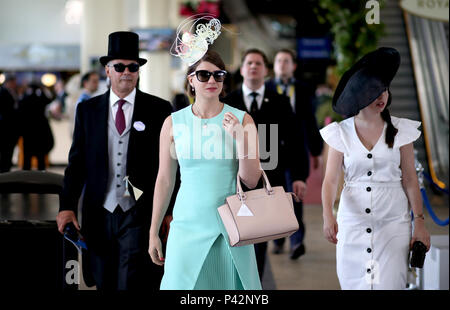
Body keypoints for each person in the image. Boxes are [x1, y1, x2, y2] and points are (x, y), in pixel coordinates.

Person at [56, 31, 173, 290]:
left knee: (131, 280)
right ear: (107, 71)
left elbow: (170, 166)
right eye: (119, 67)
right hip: (98, 212)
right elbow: (76, 164)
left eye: (133, 67)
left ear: (138, 71)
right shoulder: (88, 111)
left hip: (139, 212)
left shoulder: (159, 109)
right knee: (102, 279)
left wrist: (169, 210)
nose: (126, 72)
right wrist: (67, 206)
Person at [148, 49, 262, 290]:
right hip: (186, 226)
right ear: (191, 80)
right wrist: (153, 230)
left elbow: (251, 181)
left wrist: (241, 140)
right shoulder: (172, 123)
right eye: (203, 75)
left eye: (218, 75)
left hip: (232, 226)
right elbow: (165, 180)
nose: (211, 81)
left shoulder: (243, 120)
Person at [320, 47, 430, 290]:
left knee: (390, 284)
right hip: (353, 222)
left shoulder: (402, 130)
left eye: (384, 90)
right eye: (373, 91)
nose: (382, 96)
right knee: (352, 283)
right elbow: (330, 180)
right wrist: (328, 214)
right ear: (359, 95)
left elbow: (411, 180)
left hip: (394, 223)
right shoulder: (340, 132)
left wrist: (419, 222)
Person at [223, 48, 309, 279]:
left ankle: (254, 286)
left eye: (258, 63)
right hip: (232, 180)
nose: (253, 67)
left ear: (266, 71)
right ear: (242, 69)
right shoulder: (228, 103)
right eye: (249, 63)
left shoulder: (280, 101)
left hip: (268, 178)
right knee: (233, 238)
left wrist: (300, 175)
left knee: (258, 240)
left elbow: (295, 141)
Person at [266, 48, 323, 258]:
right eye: (279, 60)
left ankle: (297, 241)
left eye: (286, 61)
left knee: (295, 196)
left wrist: (316, 151)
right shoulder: (266, 88)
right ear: (274, 65)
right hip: (271, 151)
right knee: (275, 197)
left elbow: (310, 122)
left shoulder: (305, 89)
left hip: (295, 150)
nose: (282, 64)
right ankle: (279, 238)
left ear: (293, 66)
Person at [19, 81, 54, 170]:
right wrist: (42, 90)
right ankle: (41, 179)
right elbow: (49, 99)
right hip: (40, 134)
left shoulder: (25, 99)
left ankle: (25, 178)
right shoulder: (40, 99)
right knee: (40, 159)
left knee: (27, 159)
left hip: (28, 134)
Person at [0, 73, 19, 172]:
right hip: (5, 131)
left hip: (11, 131)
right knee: (4, 156)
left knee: (8, 156)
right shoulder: (2, 92)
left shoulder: (13, 92)